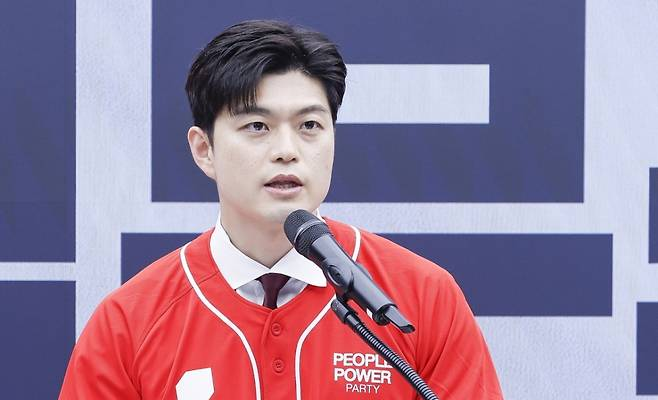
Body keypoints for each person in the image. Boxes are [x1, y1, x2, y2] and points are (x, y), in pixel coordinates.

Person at [59, 20, 503, 399]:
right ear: (204, 149)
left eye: (309, 125)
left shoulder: (420, 299)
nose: (287, 150)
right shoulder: (128, 323)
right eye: (257, 126)